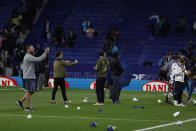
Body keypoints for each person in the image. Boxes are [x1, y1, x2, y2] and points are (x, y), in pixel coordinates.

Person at [16, 45, 49, 111]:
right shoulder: (28, 57)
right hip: (29, 76)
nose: (33, 49)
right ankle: (27, 107)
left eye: (33, 48)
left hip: (30, 75)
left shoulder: (29, 56)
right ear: (28, 50)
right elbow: (38, 59)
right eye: (32, 48)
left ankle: (20, 101)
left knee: (32, 91)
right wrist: (45, 53)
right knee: (29, 91)